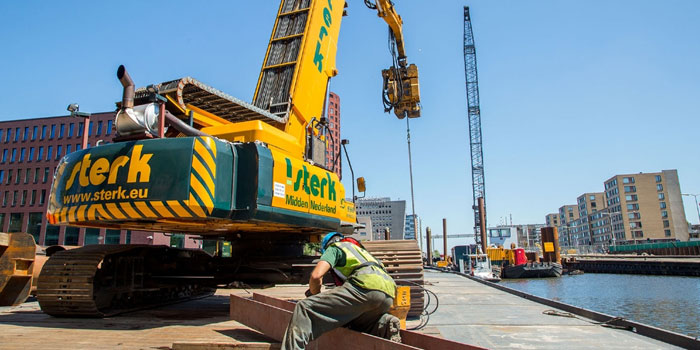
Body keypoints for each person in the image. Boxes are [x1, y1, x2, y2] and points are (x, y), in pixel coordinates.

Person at [281, 232, 401, 350]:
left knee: (304, 308)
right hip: (389, 294)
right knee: (351, 321)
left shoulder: (335, 248)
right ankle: (384, 324)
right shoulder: (363, 252)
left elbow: (316, 276)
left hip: (365, 286)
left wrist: (314, 296)